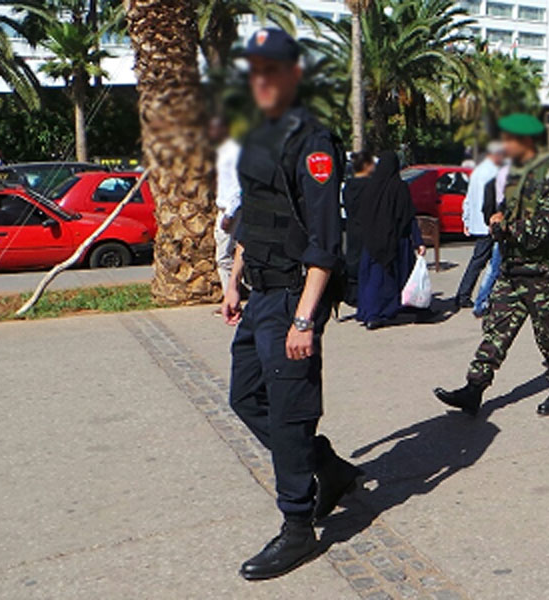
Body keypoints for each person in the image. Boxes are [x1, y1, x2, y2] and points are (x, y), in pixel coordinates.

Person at [220, 28, 362, 581]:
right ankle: (326, 467)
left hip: (291, 301)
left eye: (270, 69)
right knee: (244, 397)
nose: (260, 80)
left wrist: (305, 318)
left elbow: (326, 242)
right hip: (258, 294)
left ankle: (298, 528)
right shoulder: (258, 134)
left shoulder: (313, 142)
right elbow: (255, 219)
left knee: (288, 414)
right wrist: (234, 280)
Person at [433, 113, 549, 417]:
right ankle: (474, 390)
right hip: (512, 270)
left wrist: (506, 227)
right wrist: (498, 220)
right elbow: (503, 215)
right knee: (495, 333)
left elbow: (547, 227)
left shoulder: (548, 175)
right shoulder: (514, 175)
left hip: (541, 275)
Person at [352, 151, 424, 329]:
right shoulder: (399, 187)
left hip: (372, 243)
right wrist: (418, 241)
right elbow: (408, 217)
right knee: (388, 279)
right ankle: (382, 312)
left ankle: (368, 312)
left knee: (372, 278)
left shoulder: (370, 188)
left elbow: (361, 216)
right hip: (395, 242)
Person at [455, 142, 506, 308]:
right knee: (490, 263)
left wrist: (466, 220)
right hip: (489, 224)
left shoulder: (477, 171)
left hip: (479, 223)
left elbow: (468, 198)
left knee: (480, 261)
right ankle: (472, 295)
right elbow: (492, 201)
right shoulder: (493, 173)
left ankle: (466, 294)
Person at [473, 163, 509, 317]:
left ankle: (484, 301)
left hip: (497, 228)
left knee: (495, 267)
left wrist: (490, 221)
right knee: (495, 266)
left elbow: (486, 206)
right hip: (505, 229)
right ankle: (481, 302)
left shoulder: (492, 181)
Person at [211, 116, 242, 293]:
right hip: (223, 208)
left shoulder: (233, 152)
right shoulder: (223, 152)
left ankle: (232, 295)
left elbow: (238, 187)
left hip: (231, 210)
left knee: (223, 257)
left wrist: (230, 214)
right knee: (226, 254)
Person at [340, 151, 376, 307]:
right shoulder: (371, 186)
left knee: (353, 258)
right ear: (366, 165)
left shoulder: (348, 186)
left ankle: (352, 294)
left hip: (352, 226)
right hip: (369, 229)